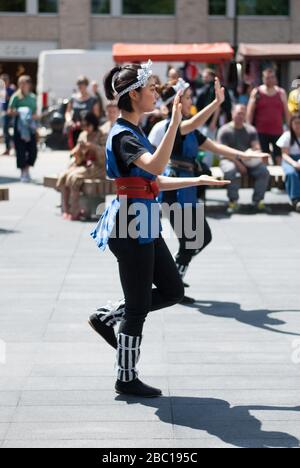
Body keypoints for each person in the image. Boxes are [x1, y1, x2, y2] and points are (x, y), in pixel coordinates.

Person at [89, 60, 230, 398]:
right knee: (139, 307)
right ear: (134, 95)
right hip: (129, 224)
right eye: (150, 89)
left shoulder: (135, 131)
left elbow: (153, 178)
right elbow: (153, 166)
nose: (155, 93)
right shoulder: (123, 134)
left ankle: (107, 316)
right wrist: (174, 124)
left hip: (144, 220)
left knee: (172, 290)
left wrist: (198, 177)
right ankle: (126, 376)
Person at [148, 79, 268, 301]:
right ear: (176, 102)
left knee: (202, 237)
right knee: (189, 240)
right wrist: (215, 103)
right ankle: (173, 285)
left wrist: (246, 155)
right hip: (174, 189)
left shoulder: (190, 129)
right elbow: (192, 124)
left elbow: (215, 147)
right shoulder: (172, 126)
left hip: (189, 188)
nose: (191, 100)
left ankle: (173, 276)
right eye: (187, 98)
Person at [218, 104, 270, 213]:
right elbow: (222, 152)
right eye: (238, 113)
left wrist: (258, 152)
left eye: (242, 114)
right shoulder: (224, 130)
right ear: (232, 114)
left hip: (248, 160)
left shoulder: (250, 130)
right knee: (231, 171)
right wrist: (238, 163)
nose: (240, 116)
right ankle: (233, 202)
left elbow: (256, 146)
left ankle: (258, 201)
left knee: (263, 171)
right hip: (229, 159)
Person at [57, 112, 106, 220]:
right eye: (83, 126)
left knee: (73, 178)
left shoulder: (101, 134)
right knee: (64, 176)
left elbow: (105, 153)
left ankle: (75, 210)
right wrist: (78, 150)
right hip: (83, 164)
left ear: (93, 124)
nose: (85, 128)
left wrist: (93, 147)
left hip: (97, 167)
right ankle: (66, 209)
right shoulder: (83, 134)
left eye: (88, 125)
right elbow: (75, 152)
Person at [247, 68, 290, 165]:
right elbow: (250, 111)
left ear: (275, 78)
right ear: (263, 78)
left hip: (278, 130)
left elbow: (286, 112)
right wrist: (249, 127)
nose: (270, 80)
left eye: (272, 77)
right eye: (267, 78)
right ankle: (267, 178)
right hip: (261, 131)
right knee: (264, 155)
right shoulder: (257, 92)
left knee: (279, 156)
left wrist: (288, 126)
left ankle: (279, 179)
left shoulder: (281, 92)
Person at [196, 68, 233, 167]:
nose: (204, 78)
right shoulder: (206, 87)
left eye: (206, 76)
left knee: (209, 143)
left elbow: (218, 106)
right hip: (207, 120)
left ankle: (208, 164)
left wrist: (213, 121)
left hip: (212, 121)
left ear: (212, 77)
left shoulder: (214, 88)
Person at [8, 75, 38, 182]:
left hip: (30, 126)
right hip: (20, 126)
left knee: (32, 149)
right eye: (21, 83)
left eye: (25, 83)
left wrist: (32, 116)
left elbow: (35, 113)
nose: (23, 85)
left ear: (29, 85)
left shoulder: (33, 97)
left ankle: (28, 168)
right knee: (20, 149)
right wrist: (20, 111)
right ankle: (23, 171)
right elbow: (9, 111)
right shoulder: (16, 97)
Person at [65, 76, 100, 148]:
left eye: (82, 84)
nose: (80, 86)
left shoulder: (93, 99)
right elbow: (68, 112)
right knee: (75, 149)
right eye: (79, 84)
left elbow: (96, 115)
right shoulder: (73, 98)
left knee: (87, 149)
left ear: (86, 85)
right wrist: (69, 121)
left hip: (88, 129)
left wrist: (89, 124)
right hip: (75, 128)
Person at [276, 113, 300, 212]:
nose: (298, 126)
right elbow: (284, 155)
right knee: (291, 173)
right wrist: (294, 163)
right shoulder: (287, 135)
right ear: (291, 124)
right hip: (289, 160)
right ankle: (295, 199)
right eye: (296, 123)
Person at [0, 74, 15, 156]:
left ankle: (9, 147)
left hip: (9, 113)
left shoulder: (11, 90)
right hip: (3, 113)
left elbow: (11, 100)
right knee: (5, 131)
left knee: (6, 131)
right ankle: (8, 147)